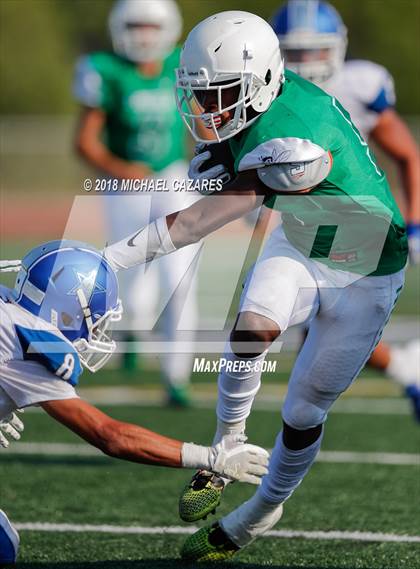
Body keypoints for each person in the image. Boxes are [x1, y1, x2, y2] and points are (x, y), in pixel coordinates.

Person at [103, 10, 408, 561]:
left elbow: (198, 220)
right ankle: (227, 447)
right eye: (203, 94)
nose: (209, 108)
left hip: (366, 271)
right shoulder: (267, 103)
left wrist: (111, 258)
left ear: (261, 81)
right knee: (250, 332)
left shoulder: (293, 137)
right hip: (303, 238)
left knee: (303, 411)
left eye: (222, 93)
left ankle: (259, 513)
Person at [0, 240, 269, 565]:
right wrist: (211, 457)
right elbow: (110, 436)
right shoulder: (27, 343)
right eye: (97, 318)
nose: (99, 328)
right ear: (68, 309)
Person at [271, 0, 420, 420]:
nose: (305, 64)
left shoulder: (358, 85)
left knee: (318, 328)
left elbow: (409, 156)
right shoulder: (266, 94)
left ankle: (407, 369)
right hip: (303, 223)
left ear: (337, 48)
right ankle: (408, 369)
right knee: (310, 331)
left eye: (316, 51)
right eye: (294, 54)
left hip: (357, 223)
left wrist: (415, 224)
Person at [73, 0, 199, 406]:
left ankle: (176, 377)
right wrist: (119, 166)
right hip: (124, 186)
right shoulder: (105, 69)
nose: (144, 35)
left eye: (150, 26)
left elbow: (205, 120)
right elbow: (84, 141)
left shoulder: (182, 63)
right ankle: (129, 333)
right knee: (129, 276)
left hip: (174, 178)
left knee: (180, 278)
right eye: (135, 25)